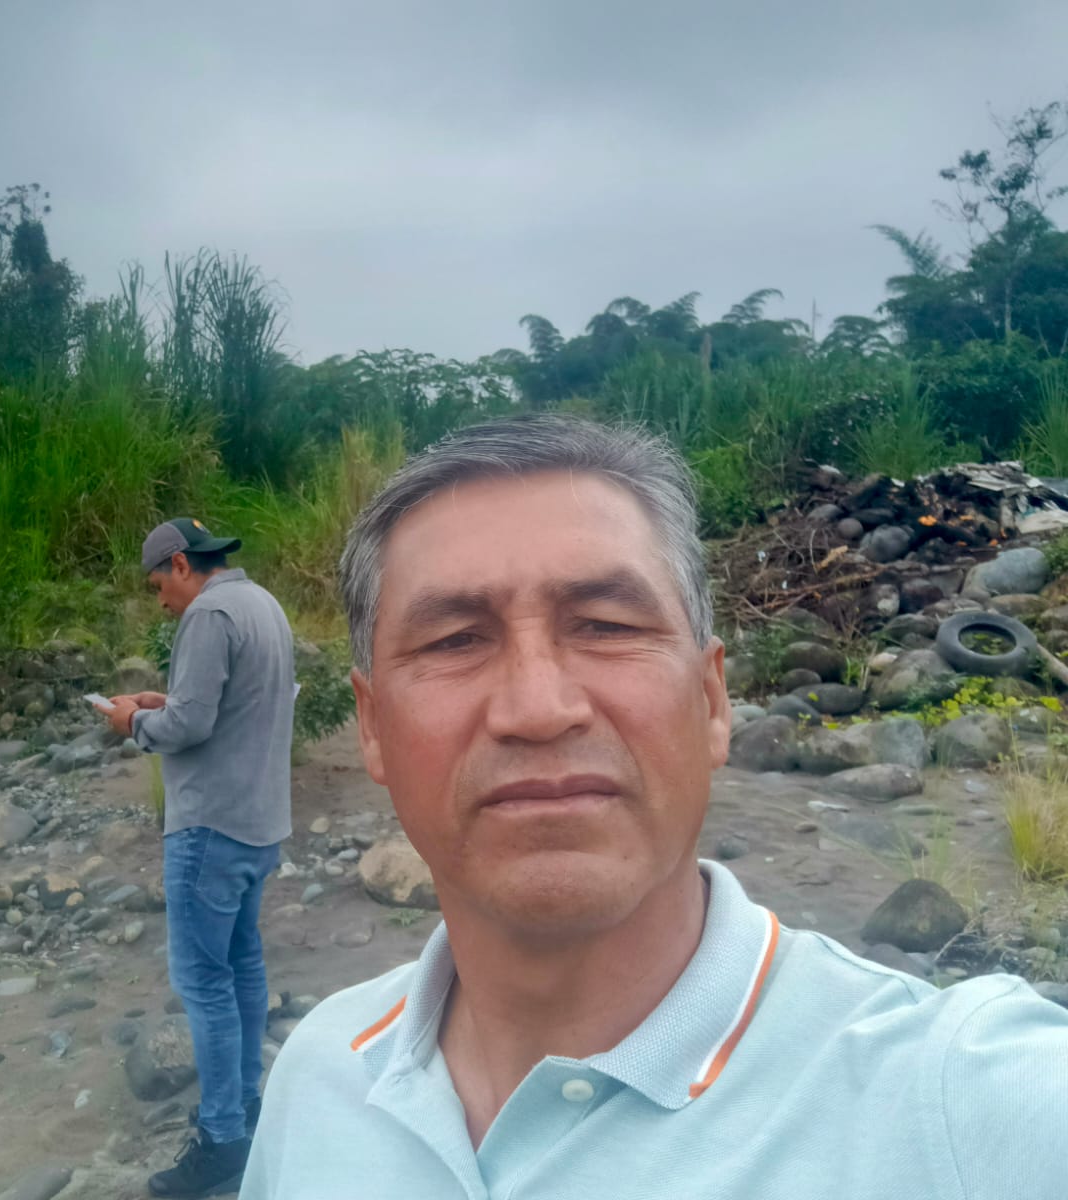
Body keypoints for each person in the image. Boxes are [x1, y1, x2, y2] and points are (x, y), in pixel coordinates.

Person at [242, 416, 1068, 1199]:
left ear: (712, 700)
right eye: (455, 640)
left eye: (605, 625)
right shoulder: (320, 1078)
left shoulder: (964, 1102)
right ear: (373, 727)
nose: (538, 709)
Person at [99, 516, 295, 1198]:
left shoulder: (208, 615)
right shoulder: (262, 604)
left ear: (180, 563)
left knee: (204, 983)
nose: (161, 601)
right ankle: (245, 1106)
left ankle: (221, 1139)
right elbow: (231, 704)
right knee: (242, 965)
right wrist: (167, 701)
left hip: (209, 826)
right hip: (259, 822)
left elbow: (190, 725)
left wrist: (133, 721)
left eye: (158, 584)